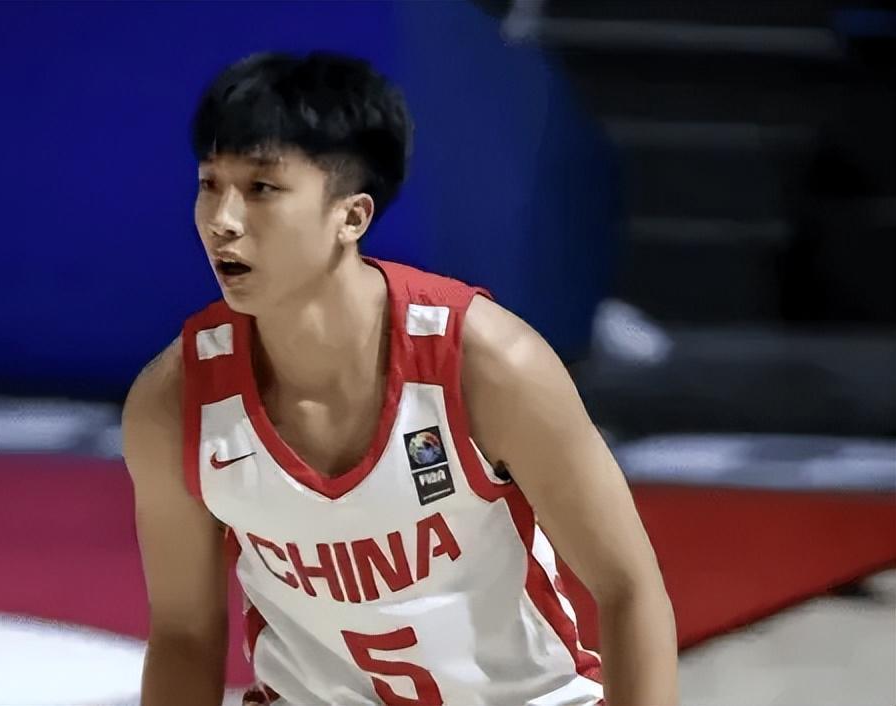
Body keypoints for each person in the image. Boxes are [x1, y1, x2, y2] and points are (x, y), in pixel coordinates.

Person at [122, 51, 677, 706]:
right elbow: (183, 634)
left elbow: (628, 588)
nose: (223, 219)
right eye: (210, 183)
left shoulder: (490, 364)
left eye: (262, 188)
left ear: (351, 217)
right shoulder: (174, 400)